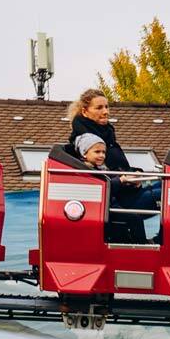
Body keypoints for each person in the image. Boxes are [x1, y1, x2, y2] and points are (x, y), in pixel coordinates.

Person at [64, 89, 157, 240]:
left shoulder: (106, 134)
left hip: (126, 189)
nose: (106, 111)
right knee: (167, 195)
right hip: (117, 197)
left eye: (107, 107)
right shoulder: (87, 142)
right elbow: (103, 175)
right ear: (85, 111)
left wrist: (135, 174)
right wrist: (125, 179)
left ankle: (157, 240)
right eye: (99, 108)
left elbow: (116, 167)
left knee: (165, 186)